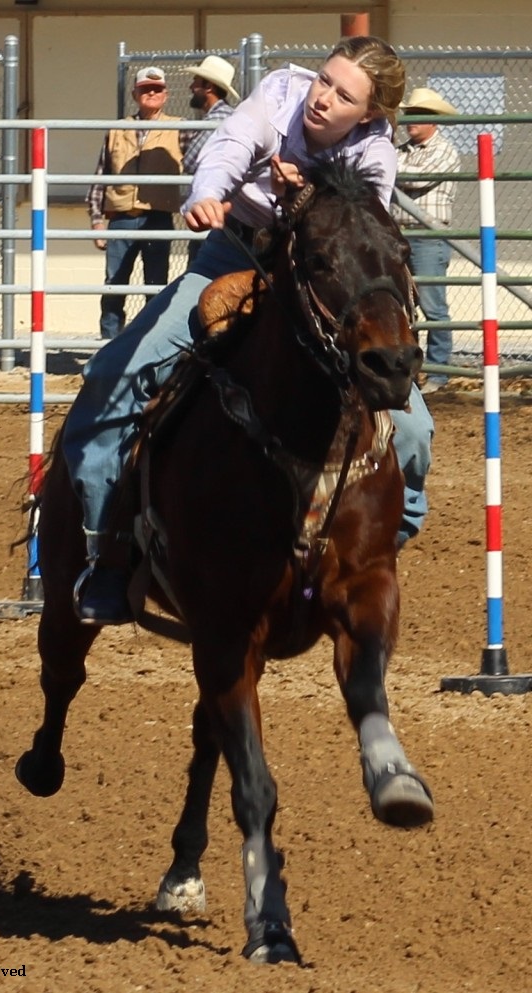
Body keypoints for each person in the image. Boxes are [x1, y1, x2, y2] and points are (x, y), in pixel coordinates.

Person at [66, 36, 435, 624]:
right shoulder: (280, 93)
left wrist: (305, 193)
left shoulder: (375, 150)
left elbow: (358, 226)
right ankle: (106, 550)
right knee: (117, 372)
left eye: (344, 96)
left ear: (369, 114)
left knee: (413, 429)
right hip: (233, 254)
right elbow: (230, 147)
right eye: (325, 79)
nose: (322, 99)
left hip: (318, 282)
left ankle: (390, 532)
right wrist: (209, 192)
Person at [87, 67, 185, 340]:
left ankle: (147, 346)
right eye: (145, 89)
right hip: (121, 219)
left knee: (156, 287)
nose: (151, 93)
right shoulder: (117, 130)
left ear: (165, 95)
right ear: (135, 93)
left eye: (156, 89)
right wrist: (96, 220)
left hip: (158, 217)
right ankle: (109, 345)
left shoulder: (180, 128)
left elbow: (200, 166)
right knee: (114, 286)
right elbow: (100, 176)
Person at [392, 87, 460, 394]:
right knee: (403, 304)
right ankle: (415, 370)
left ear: (433, 120)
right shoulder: (403, 151)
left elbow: (417, 179)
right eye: (408, 115)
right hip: (400, 235)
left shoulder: (445, 150)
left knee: (433, 307)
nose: (410, 121)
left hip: (428, 237)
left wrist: (389, 168)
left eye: (417, 116)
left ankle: (438, 372)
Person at [180, 55, 239, 262]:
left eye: (196, 82)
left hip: (211, 208)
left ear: (208, 87)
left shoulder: (217, 120)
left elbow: (190, 161)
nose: (191, 87)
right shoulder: (230, 116)